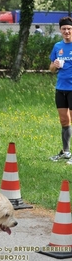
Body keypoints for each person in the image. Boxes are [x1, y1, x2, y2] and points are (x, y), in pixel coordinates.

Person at [49, 16, 72, 163]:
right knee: (64, 120)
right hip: (60, 88)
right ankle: (66, 151)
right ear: (60, 30)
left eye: (69, 29)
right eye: (64, 29)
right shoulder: (57, 47)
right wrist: (55, 65)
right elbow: (51, 69)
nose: (67, 31)